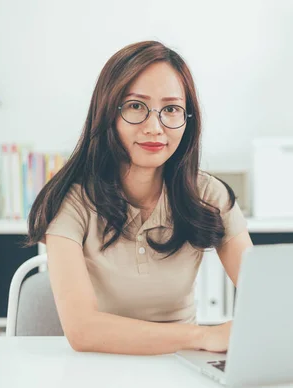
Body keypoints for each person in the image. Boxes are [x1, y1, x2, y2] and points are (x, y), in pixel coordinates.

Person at [26, 40, 253, 356]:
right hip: (98, 369)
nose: (154, 127)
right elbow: (82, 331)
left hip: (184, 369)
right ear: (108, 112)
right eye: (136, 106)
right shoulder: (71, 200)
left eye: (171, 109)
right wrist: (202, 336)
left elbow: (266, 300)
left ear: (188, 120)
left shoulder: (209, 195)